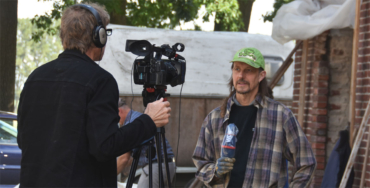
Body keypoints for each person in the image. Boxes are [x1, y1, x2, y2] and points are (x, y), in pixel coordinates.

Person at [17, 3, 171, 187]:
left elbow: (23, 139)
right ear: (99, 36)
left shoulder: (35, 77)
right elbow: (105, 146)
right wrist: (149, 120)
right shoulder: (101, 81)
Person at [192, 47, 316, 188]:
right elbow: (200, 162)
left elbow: (307, 162)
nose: (241, 76)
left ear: (261, 75)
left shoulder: (281, 116)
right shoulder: (214, 119)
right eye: (237, 69)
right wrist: (215, 171)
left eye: (248, 70)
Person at [116, 98, 176, 187]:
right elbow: (130, 157)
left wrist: (108, 176)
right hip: (167, 164)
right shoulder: (137, 117)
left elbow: (124, 158)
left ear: (119, 111)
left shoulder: (131, 123)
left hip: (156, 165)